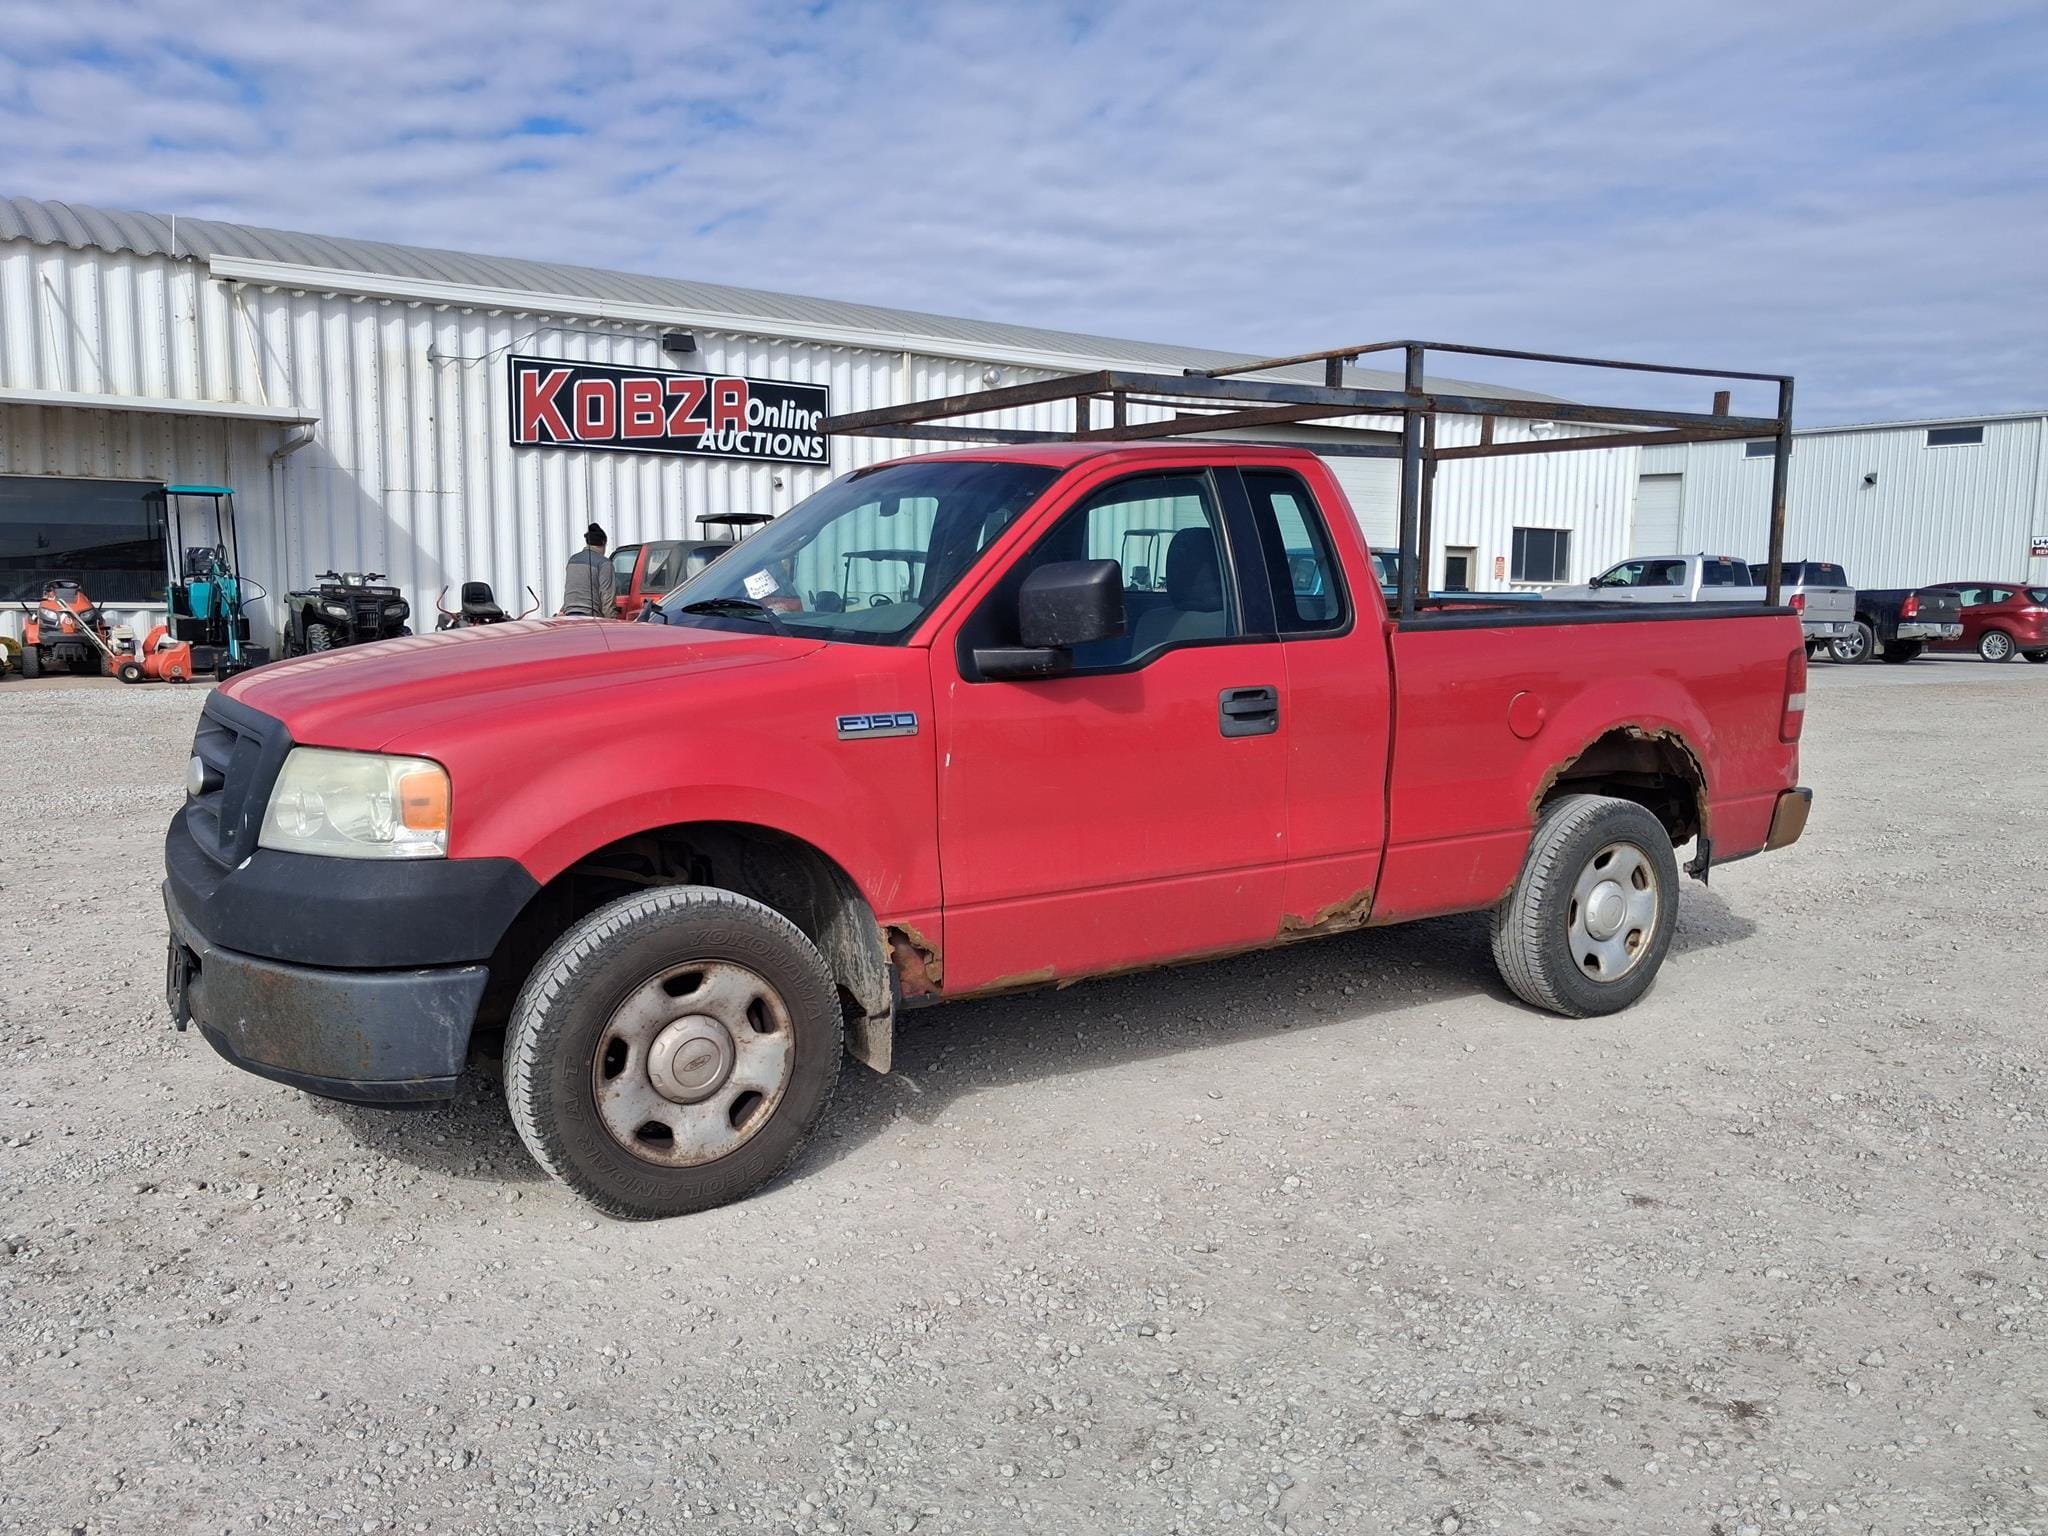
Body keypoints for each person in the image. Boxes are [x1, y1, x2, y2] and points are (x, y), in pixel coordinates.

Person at [559, 523, 617, 617]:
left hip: (569, 615)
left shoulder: (572, 560)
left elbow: (572, 589)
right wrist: (611, 623)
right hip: (590, 617)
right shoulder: (604, 563)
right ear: (603, 542)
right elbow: (607, 598)